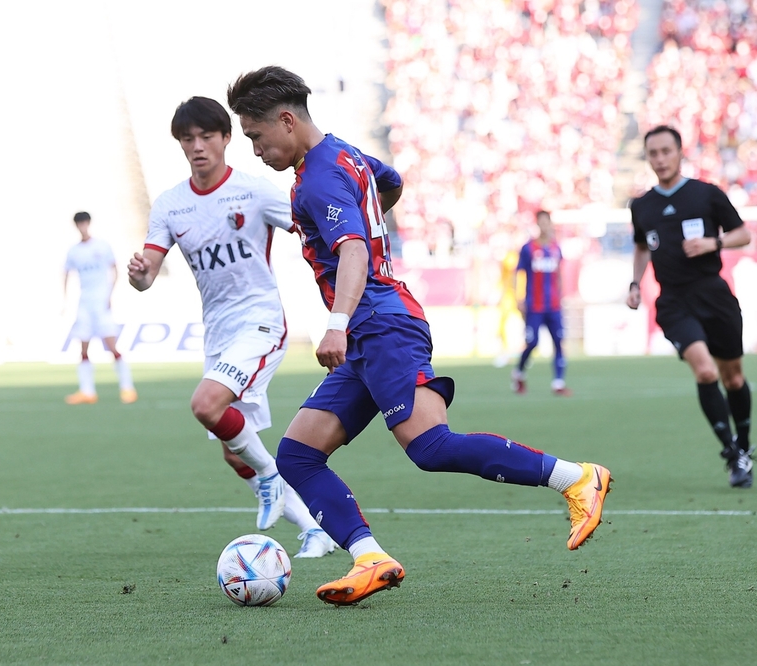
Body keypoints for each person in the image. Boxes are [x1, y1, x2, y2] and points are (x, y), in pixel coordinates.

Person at [227, 65, 612, 606]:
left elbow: (353, 249)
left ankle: (575, 478)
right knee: (297, 455)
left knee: (430, 447)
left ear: (287, 121)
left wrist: (337, 321)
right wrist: (365, 228)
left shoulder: (318, 178)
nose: (255, 150)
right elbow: (391, 183)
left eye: (256, 136)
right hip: (370, 331)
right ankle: (370, 558)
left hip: (379, 324)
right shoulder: (346, 155)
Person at [127, 96, 335, 558]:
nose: (197, 146)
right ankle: (314, 529)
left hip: (261, 321)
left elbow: (310, 227)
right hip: (219, 333)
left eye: (206, 136)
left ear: (226, 138)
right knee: (232, 446)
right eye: (188, 139)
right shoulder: (170, 205)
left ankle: (270, 477)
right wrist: (138, 273)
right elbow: (146, 276)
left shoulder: (253, 191)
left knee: (206, 404)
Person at [628, 125, 753, 488]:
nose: (660, 159)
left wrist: (714, 243)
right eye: (653, 153)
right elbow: (641, 247)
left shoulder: (706, 194)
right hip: (673, 301)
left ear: (680, 152)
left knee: (733, 377)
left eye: (666, 151)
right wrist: (635, 283)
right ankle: (732, 452)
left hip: (714, 295)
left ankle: (744, 445)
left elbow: (743, 234)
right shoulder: (641, 205)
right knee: (705, 371)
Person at [63, 211, 136, 405]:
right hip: (84, 303)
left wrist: (110, 295)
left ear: (89, 223)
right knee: (83, 348)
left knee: (112, 346)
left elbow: (115, 270)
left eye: (84, 222)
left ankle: (127, 388)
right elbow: (66, 274)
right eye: (79, 224)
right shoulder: (74, 251)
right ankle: (87, 391)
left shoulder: (102, 246)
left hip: (101, 302)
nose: (82, 226)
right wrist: (65, 299)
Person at [511, 210, 571, 396]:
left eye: (547, 222)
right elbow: (518, 272)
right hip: (534, 305)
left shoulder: (556, 248)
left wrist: (561, 295)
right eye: (541, 222)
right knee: (532, 342)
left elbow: (559, 274)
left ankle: (558, 382)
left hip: (553, 305)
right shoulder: (528, 248)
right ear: (537, 224)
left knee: (559, 341)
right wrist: (518, 298)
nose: (545, 226)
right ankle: (519, 372)